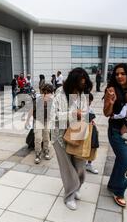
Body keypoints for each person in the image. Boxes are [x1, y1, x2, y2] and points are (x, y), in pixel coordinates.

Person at [51, 67, 92, 210]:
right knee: (67, 167)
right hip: (59, 135)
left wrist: (85, 118)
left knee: (80, 164)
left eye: (83, 85)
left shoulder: (82, 95)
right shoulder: (59, 93)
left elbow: (85, 113)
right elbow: (53, 116)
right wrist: (72, 114)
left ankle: (77, 187)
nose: (81, 88)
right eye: (79, 84)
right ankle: (69, 195)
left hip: (77, 131)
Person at [103, 63, 127, 207]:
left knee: (122, 160)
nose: (119, 76)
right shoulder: (111, 90)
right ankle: (119, 191)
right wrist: (111, 103)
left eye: (123, 73)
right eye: (117, 74)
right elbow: (106, 113)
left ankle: (113, 185)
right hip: (116, 131)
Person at [26, 84, 54, 164]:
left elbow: (53, 112)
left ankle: (46, 150)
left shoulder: (51, 101)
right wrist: (27, 120)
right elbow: (31, 110)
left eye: (49, 93)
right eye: (45, 93)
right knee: (38, 138)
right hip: (38, 121)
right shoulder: (37, 100)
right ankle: (38, 153)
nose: (48, 95)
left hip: (46, 121)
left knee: (46, 137)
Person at [85, 93, 99, 174]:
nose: (89, 103)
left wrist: (93, 123)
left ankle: (89, 165)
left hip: (91, 129)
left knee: (93, 146)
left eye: (90, 101)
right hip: (82, 130)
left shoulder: (89, 108)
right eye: (88, 101)